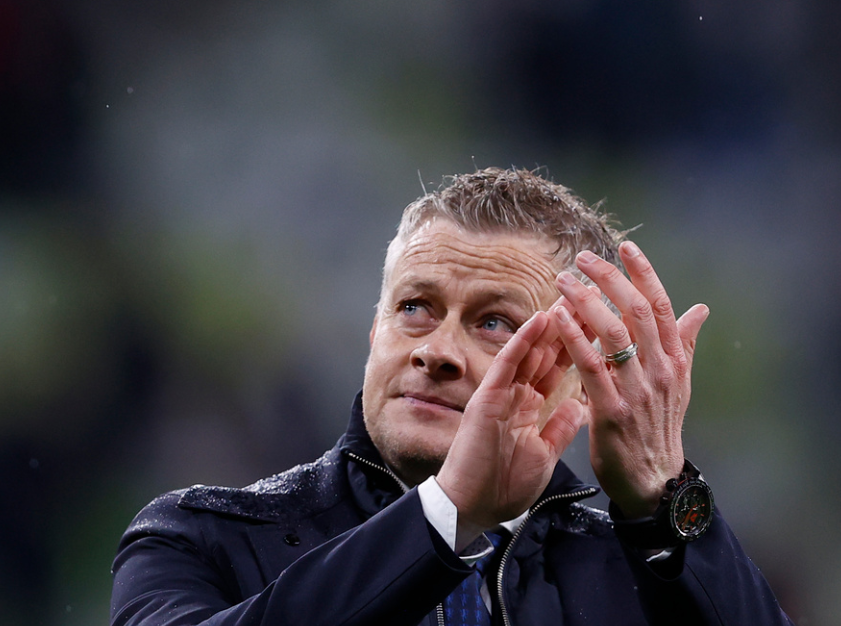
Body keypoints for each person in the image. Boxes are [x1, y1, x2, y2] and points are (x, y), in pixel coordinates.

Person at [110, 167, 793, 626]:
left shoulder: (637, 576)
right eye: (414, 307)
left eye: (493, 323)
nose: (435, 350)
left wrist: (662, 497)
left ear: (583, 378)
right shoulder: (198, 538)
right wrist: (449, 513)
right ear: (374, 329)